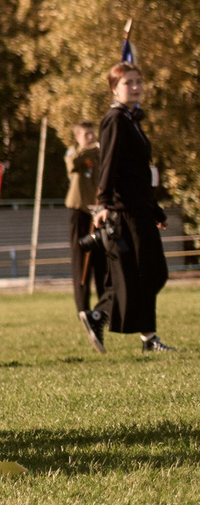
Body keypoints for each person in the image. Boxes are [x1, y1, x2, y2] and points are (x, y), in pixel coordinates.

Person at [96, 63, 175, 353]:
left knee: (152, 273)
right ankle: (143, 335)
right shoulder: (115, 119)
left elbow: (138, 171)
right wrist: (103, 202)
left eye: (139, 81)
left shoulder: (131, 119)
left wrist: (154, 209)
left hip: (140, 206)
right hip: (124, 209)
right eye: (129, 82)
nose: (136, 86)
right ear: (114, 88)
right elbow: (109, 165)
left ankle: (124, 326)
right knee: (147, 273)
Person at [62, 120, 108, 348]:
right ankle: (83, 309)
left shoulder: (100, 155)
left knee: (102, 261)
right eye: (86, 134)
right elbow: (73, 164)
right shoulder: (74, 154)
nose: (91, 137)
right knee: (82, 263)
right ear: (78, 137)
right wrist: (93, 148)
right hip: (79, 212)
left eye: (93, 134)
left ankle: (102, 311)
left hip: (97, 212)